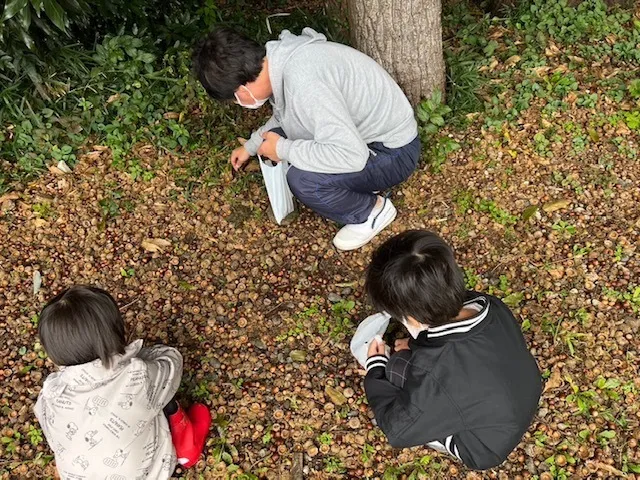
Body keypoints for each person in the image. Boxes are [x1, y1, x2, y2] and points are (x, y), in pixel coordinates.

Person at [192, 27, 420, 251]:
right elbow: (286, 117)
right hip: (365, 136)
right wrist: (252, 146)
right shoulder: (281, 60)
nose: (239, 103)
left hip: (392, 151)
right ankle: (355, 186)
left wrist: (283, 150)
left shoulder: (305, 86)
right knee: (278, 141)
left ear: (241, 89)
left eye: (234, 99)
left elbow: (352, 155)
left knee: (304, 180)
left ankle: (371, 211)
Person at [362, 230, 542, 470]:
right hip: (521, 392)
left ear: (412, 320)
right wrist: (417, 343)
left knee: (395, 367)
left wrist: (376, 367)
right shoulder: (486, 305)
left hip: (484, 446)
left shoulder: (434, 371)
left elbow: (398, 431)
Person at [33, 286, 211, 479]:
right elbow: (171, 365)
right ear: (115, 332)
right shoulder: (137, 376)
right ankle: (186, 449)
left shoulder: (50, 394)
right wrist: (143, 356)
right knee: (160, 394)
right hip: (151, 474)